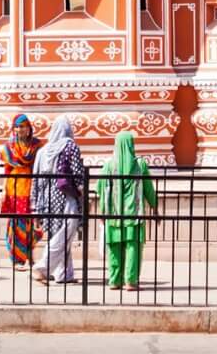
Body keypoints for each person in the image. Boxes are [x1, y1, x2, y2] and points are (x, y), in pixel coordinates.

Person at [96, 128, 158, 290]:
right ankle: (130, 281)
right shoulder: (140, 165)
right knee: (133, 248)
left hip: (113, 215)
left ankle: (115, 281)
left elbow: (100, 190)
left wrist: (102, 211)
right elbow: (149, 189)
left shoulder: (108, 165)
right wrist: (154, 207)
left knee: (114, 248)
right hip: (134, 215)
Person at [31, 115, 83, 286]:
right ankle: (42, 268)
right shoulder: (70, 146)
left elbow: (36, 181)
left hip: (47, 200)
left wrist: (35, 206)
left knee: (58, 234)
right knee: (64, 235)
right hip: (66, 197)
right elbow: (77, 174)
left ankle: (64, 273)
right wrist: (82, 193)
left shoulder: (42, 152)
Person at [0, 113, 39, 266]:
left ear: (29, 128)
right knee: (16, 225)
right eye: (16, 127)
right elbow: (6, 171)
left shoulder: (36, 146)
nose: (19, 129)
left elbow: (38, 167)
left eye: (22, 126)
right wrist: (3, 192)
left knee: (32, 225)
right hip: (14, 189)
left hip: (31, 188)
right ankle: (17, 259)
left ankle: (30, 256)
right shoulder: (9, 147)